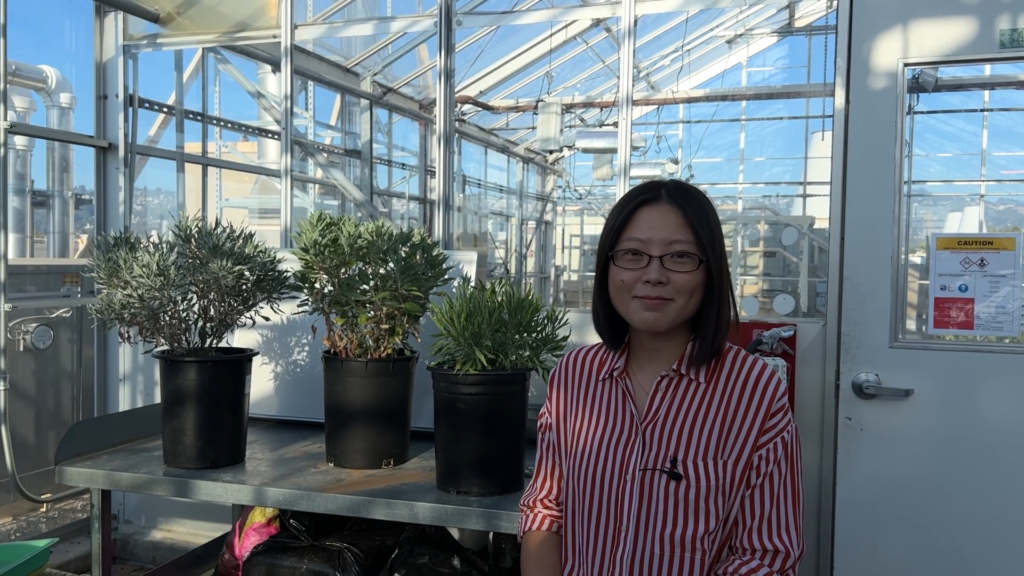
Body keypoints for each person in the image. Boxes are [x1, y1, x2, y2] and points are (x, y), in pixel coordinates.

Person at [519, 179, 804, 575]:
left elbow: (765, 556)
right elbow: (546, 509)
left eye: (680, 257)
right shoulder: (575, 374)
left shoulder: (754, 391)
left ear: (711, 272)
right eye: (633, 254)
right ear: (607, 266)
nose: (653, 274)